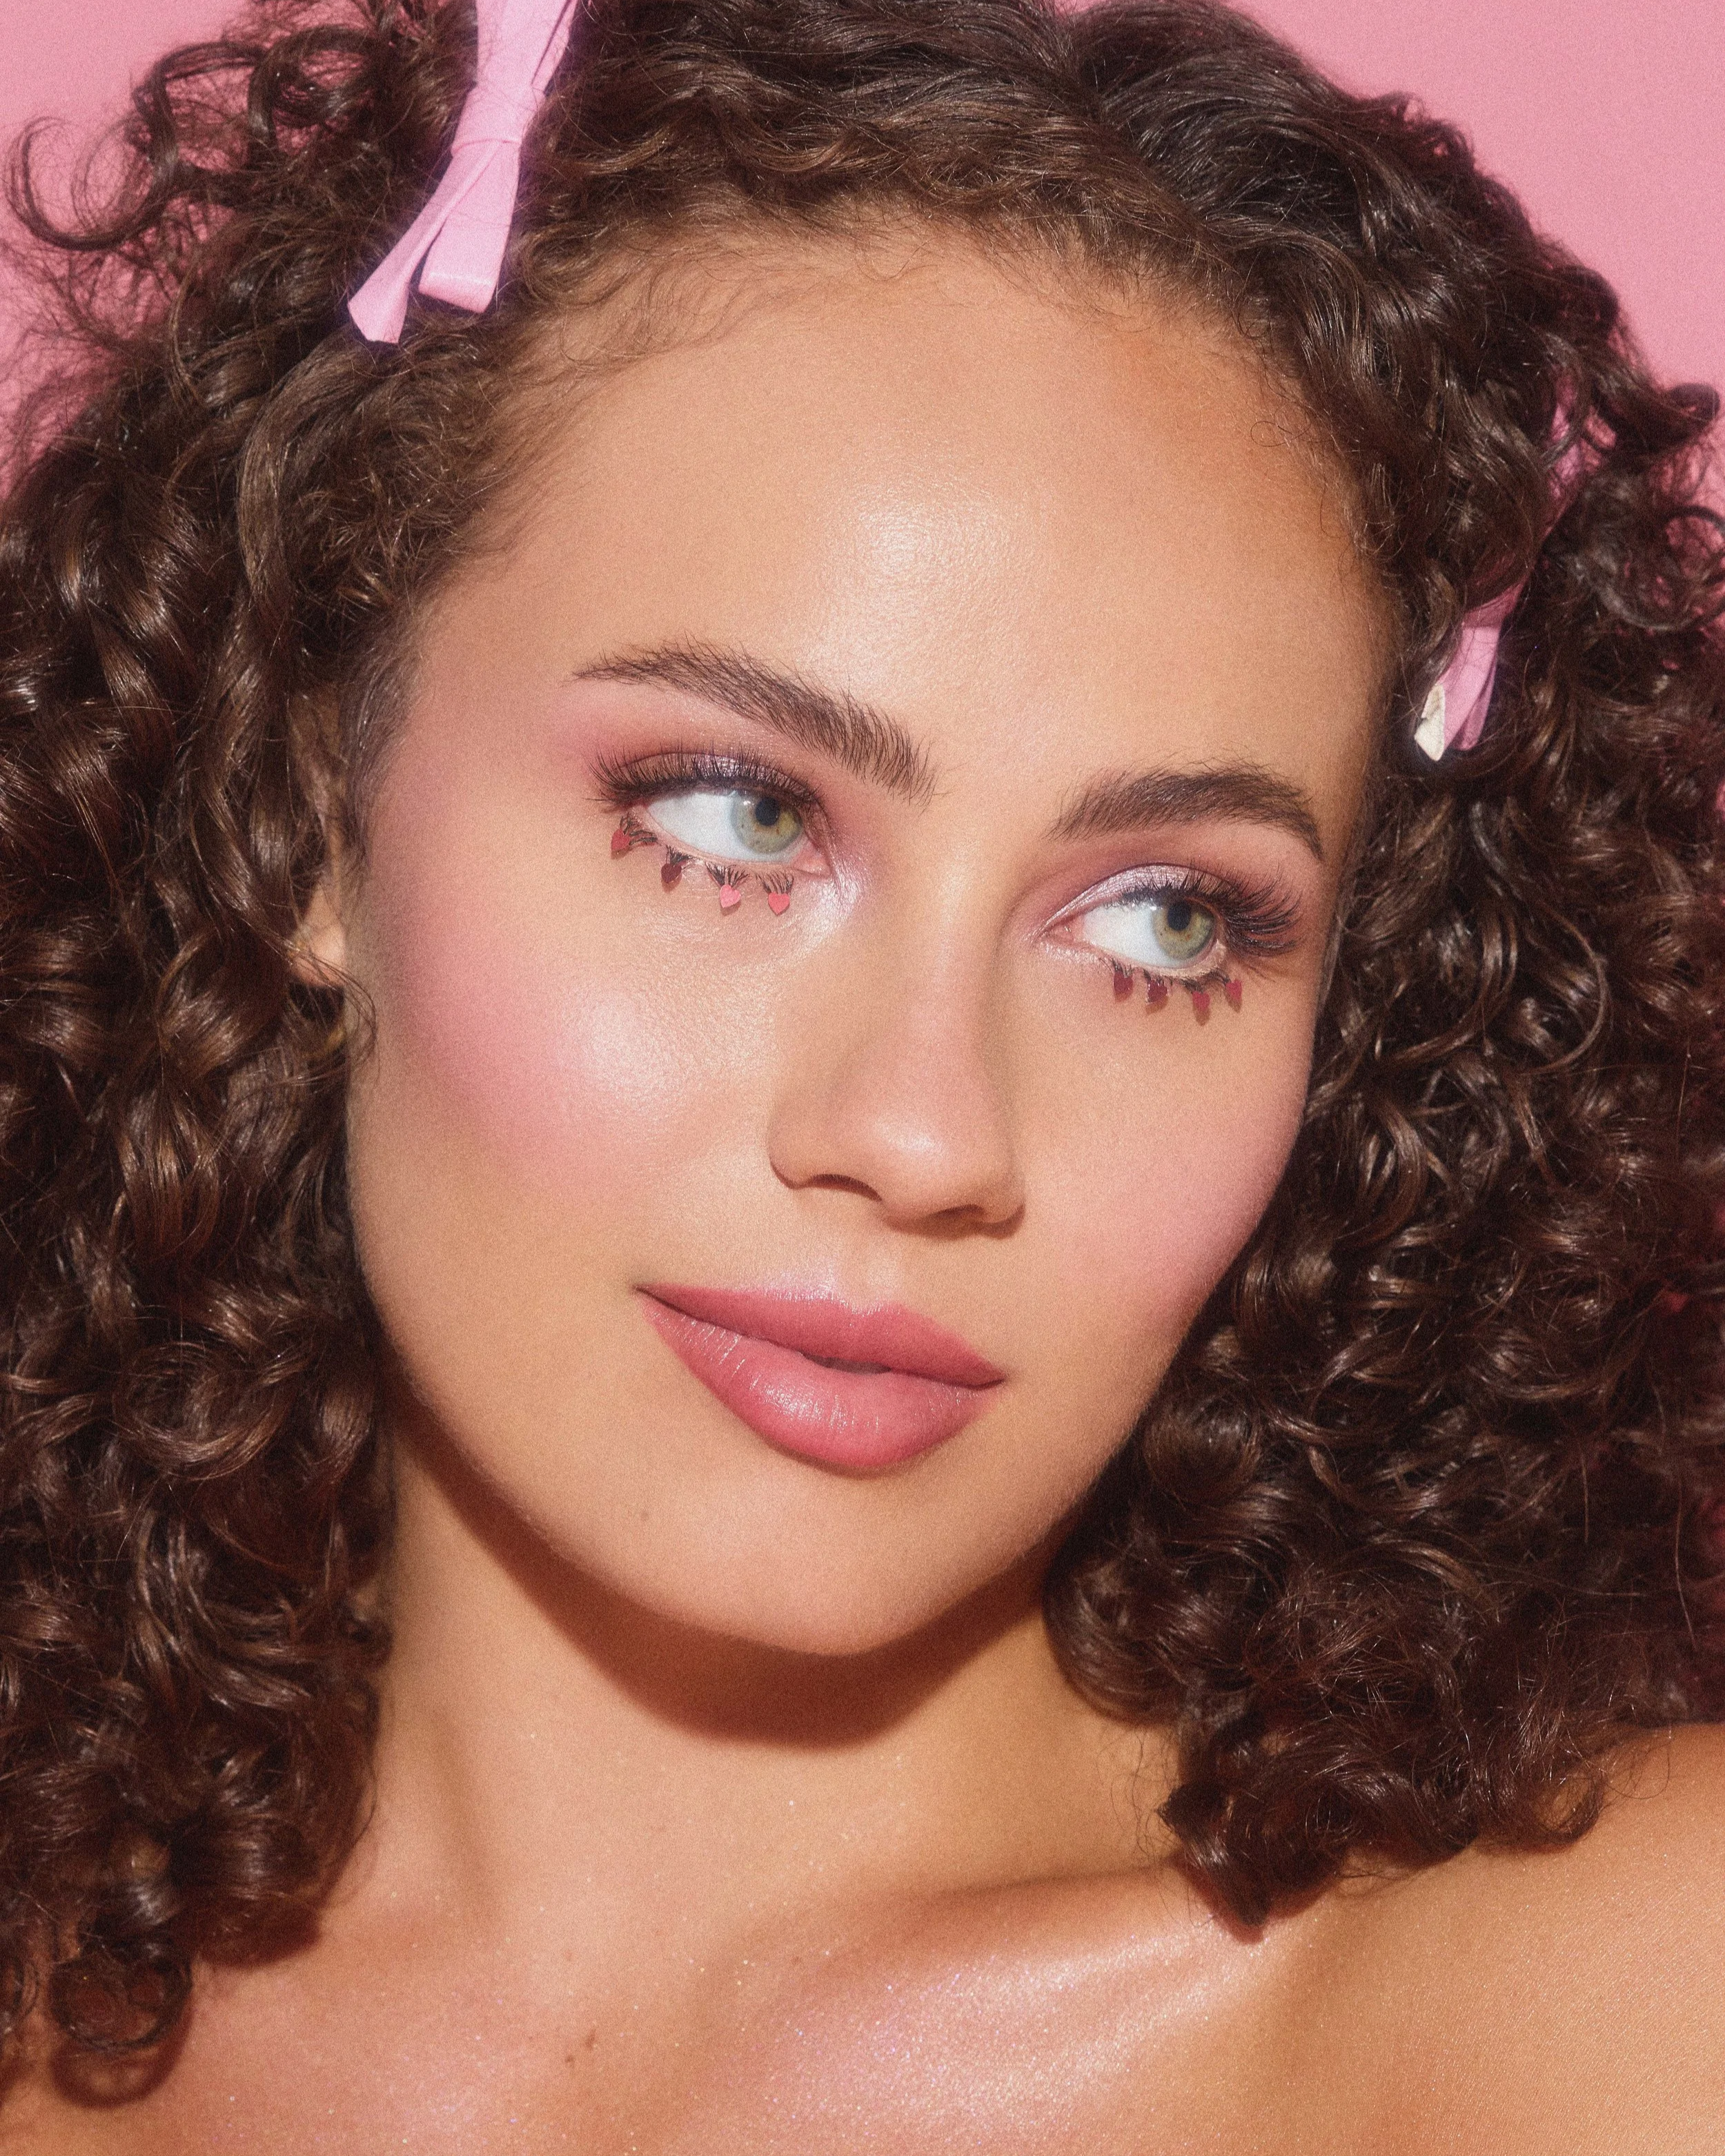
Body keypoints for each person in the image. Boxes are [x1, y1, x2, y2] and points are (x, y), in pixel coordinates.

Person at [1, 0, 1722, 2143]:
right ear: (307, 803)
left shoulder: (1625, 2006)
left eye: (1168, 919)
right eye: (732, 815)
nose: (923, 1134)